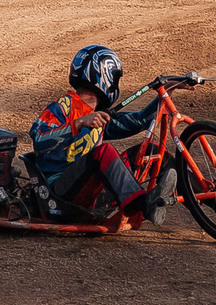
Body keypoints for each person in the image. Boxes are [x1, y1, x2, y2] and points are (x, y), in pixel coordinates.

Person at [28, 45, 159, 224]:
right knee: (103, 152)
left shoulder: (98, 114)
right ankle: (142, 204)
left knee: (153, 151)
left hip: (87, 187)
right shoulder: (61, 107)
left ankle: (208, 198)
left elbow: (139, 121)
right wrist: (79, 123)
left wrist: (166, 93)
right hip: (58, 194)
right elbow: (39, 140)